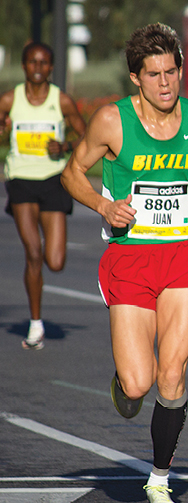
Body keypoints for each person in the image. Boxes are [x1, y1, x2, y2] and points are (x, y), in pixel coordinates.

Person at [61, 23, 188, 503]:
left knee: (172, 372)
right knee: (139, 383)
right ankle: (123, 380)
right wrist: (103, 205)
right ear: (136, 78)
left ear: (180, 69)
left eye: (171, 72)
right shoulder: (111, 122)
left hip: (183, 254)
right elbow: (72, 173)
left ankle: (159, 480)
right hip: (130, 257)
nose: (165, 83)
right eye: (154, 74)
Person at [0, 42, 86, 349]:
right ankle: (35, 325)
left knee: (56, 261)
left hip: (53, 180)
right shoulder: (10, 99)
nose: (38, 67)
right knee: (33, 253)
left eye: (44, 62)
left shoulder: (60, 100)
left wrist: (65, 146)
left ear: (51, 67)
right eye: (33, 62)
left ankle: (37, 321)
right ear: (23, 66)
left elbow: (87, 135)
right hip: (21, 179)